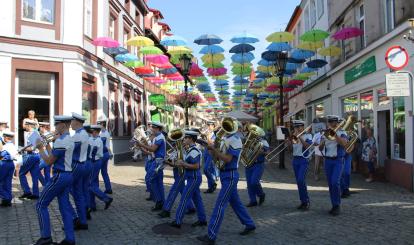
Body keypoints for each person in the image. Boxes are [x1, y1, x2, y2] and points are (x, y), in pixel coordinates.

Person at [198, 118, 256, 244]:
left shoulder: (235, 140)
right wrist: (211, 150)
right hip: (225, 175)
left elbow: (228, 159)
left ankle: (211, 235)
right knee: (236, 203)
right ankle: (249, 224)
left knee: (220, 205)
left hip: (230, 175)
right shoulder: (226, 138)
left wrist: (214, 150)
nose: (225, 128)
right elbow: (218, 157)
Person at [34, 115, 75, 245]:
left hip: (59, 176)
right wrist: (46, 145)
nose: (55, 127)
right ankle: (70, 239)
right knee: (64, 207)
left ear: (62, 125)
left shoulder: (62, 141)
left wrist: (40, 148)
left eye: (56, 124)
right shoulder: (68, 139)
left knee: (41, 204)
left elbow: (48, 161)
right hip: (67, 175)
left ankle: (46, 237)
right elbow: (54, 155)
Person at [170, 130, 207, 228]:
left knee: (184, 199)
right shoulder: (190, 149)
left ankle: (178, 221)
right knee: (197, 199)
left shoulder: (194, 151)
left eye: (186, 138)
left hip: (194, 178)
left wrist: (183, 163)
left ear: (191, 139)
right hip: (193, 177)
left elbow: (196, 166)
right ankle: (202, 220)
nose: (184, 139)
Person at [318, 115, 348, 216]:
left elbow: (344, 144)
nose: (330, 124)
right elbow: (321, 148)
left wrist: (334, 135)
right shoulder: (325, 133)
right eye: (329, 122)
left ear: (337, 122)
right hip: (328, 161)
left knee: (335, 182)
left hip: (338, 160)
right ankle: (334, 205)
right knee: (331, 184)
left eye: (332, 122)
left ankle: (337, 205)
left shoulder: (342, 132)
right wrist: (322, 142)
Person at [136, 122, 166, 211]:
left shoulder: (159, 137)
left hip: (157, 162)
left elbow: (153, 149)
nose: (152, 129)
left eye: (154, 128)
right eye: (152, 128)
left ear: (159, 129)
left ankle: (158, 201)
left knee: (150, 180)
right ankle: (161, 202)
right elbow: (152, 151)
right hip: (157, 161)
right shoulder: (157, 137)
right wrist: (142, 147)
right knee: (159, 183)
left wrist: (141, 145)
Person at [68, 113, 90, 230]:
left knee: (64, 191)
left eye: (71, 121)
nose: (70, 123)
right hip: (81, 165)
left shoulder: (78, 135)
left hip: (75, 165)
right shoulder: (82, 133)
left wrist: (60, 137)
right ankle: (82, 221)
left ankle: (74, 218)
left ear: (76, 122)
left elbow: (67, 149)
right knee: (78, 193)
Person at [288, 120, 312, 210]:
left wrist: (300, 137)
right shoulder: (294, 136)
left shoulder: (308, 136)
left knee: (301, 180)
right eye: (296, 127)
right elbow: (290, 149)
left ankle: (306, 200)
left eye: (299, 127)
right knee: (299, 182)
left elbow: (307, 146)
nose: (297, 129)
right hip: (295, 160)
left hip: (303, 159)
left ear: (302, 127)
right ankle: (303, 201)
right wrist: (289, 141)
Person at [88, 125, 113, 214]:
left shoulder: (96, 141)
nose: (91, 133)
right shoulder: (94, 139)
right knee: (94, 183)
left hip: (94, 162)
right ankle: (92, 205)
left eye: (92, 132)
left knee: (89, 185)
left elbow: (92, 152)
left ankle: (106, 198)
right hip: (96, 162)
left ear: (95, 132)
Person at [245, 125, 269, 207]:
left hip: (258, 164)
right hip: (248, 164)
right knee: (249, 184)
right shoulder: (248, 141)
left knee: (254, 182)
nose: (253, 134)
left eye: (255, 133)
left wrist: (261, 152)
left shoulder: (263, 142)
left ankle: (261, 194)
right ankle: (253, 200)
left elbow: (267, 152)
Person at [19, 119, 40, 200]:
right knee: (35, 175)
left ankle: (27, 191)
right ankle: (35, 193)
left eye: (26, 125)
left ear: (29, 125)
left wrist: (21, 149)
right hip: (35, 156)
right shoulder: (33, 133)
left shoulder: (34, 134)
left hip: (31, 156)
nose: (25, 127)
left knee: (21, 173)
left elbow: (32, 148)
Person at [0, 131, 17, 207]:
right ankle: (7, 200)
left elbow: (1, 155)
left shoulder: (6, 146)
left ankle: (5, 197)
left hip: (5, 164)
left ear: (6, 138)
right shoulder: (13, 145)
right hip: (11, 164)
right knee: (8, 183)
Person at [97, 118, 113, 194]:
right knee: (104, 172)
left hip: (102, 154)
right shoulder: (105, 132)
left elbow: (105, 146)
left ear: (102, 124)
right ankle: (108, 188)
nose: (97, 125)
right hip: (105, 154)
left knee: (96, 172)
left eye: (98, 124)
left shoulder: (103, 134)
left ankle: (95, 188)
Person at [203, 121, 218, 194]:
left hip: (211, 154)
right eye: (207, 125)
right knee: (210, 170)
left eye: (209, 125)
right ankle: (210, 187)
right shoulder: (207, 134)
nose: (208, 126)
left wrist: (207, 136)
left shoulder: (215, 135)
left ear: (213, 126)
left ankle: (213, 183)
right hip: (205, 153)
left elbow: (211, 144)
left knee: (206, 169)